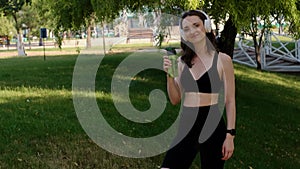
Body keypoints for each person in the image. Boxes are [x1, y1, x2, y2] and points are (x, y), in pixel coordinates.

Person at [161, 10, 236, 169]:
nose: (192, 31)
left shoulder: (223, 60)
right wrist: (169, 76)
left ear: (206, 27)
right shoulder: (182, 62)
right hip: (187, 123)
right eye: (186, 29)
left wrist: (230, 135)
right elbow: (175, 99)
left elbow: (229, 101)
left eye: (196, 25)